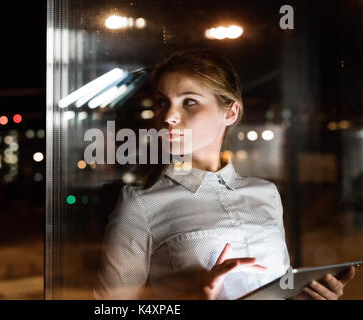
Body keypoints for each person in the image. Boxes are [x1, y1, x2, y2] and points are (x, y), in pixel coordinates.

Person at [93, 49, 355, 300]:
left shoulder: (266, 193)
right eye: (163, 102)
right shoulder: (141, 203)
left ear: (230, 112)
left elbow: (278, 288)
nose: (168, 116)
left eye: (189, 102)